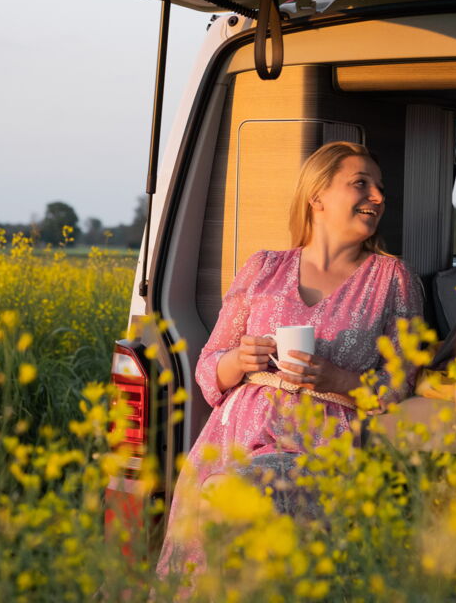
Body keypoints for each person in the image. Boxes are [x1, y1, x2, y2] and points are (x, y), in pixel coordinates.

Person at [156, 141, 424, 580]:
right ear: (317, 196)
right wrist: (239, 359)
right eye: (361, 184)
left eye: (380, 188)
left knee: (235, 509)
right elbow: (208, 367)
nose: (378, 197)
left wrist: (336, 378)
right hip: (233, 437)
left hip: (317, 445)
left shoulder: (392, 278)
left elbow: (400, 384)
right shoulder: (264, 267)